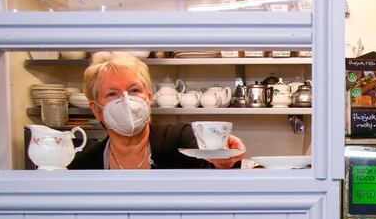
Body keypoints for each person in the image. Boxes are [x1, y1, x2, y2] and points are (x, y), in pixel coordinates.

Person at [69, 51, 246, 169]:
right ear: (96, 109)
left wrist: (224, 153)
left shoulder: (179, 139)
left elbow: (218, 172)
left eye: (134, 90)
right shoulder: (85, 163)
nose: (126, 100)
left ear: (148, 99)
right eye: (112, 93)